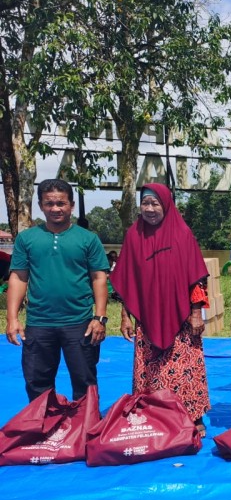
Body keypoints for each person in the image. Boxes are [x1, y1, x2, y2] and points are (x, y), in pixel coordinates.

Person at [110, 184, 212, 436]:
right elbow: (126, 280)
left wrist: (196, 311)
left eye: (155, 203)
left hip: (183, 318)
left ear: (166, 204)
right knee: (151, 371)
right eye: (145, 203)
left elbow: (196, 276)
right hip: (147, 318)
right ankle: (153, 415)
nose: (150, 209)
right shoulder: (134, 236)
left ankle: (193, 417)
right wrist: (125, 316)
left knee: (186, 369)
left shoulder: (182, 234)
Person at [6, 179, 109, 401]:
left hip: (80, 322)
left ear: (71, 205)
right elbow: (18, 277)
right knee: (37, 382)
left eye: (61, 203)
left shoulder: (88, 239)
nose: (55, 209)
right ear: (41, 205)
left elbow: (99, 278)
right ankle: (44, 428)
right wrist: (12, 319)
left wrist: (100, 318)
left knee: (85, 380)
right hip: (39, 322)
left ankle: (87, 428)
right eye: (49, 203)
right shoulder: (27, 239)